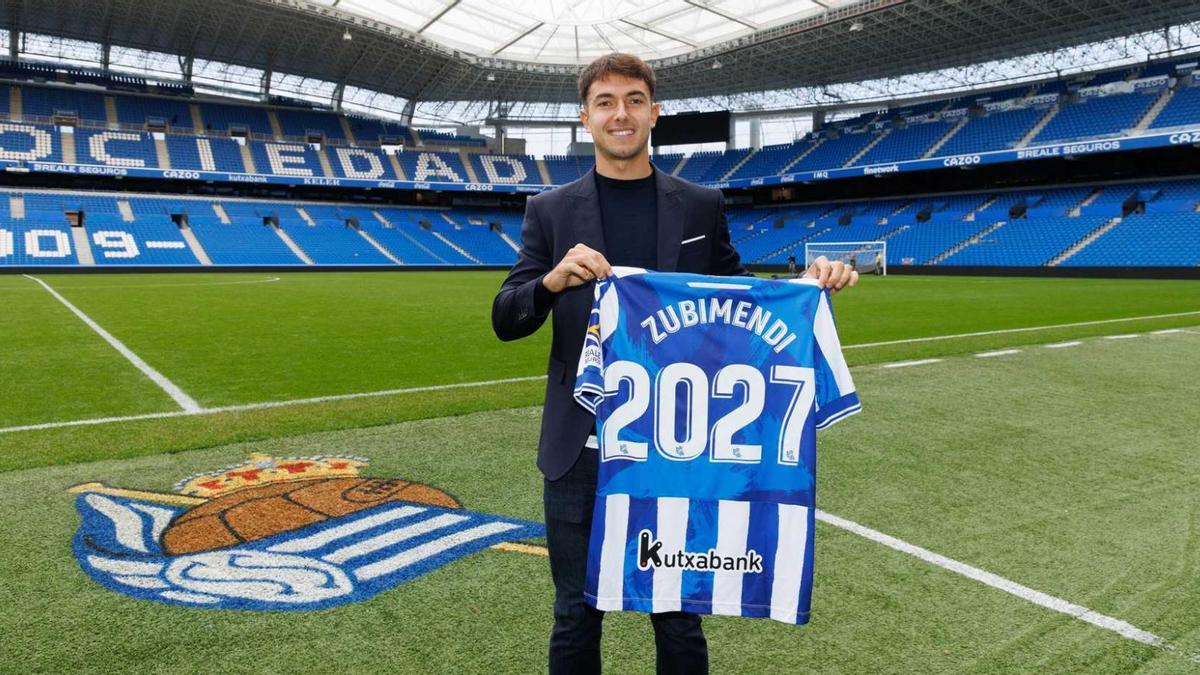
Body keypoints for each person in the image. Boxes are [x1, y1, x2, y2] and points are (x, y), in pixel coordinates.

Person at [491, 53, 857, 675]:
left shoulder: (699, 204)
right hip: (581, 446)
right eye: (605, 102)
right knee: (576, 615)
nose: (621, 113)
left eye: (634, 99)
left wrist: (802, 289)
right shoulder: (549, 211)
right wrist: (550, 282)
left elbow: (738, 309)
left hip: (675, 445)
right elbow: (507, 316)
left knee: (679, 615)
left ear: (654, 112)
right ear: (586, 118)